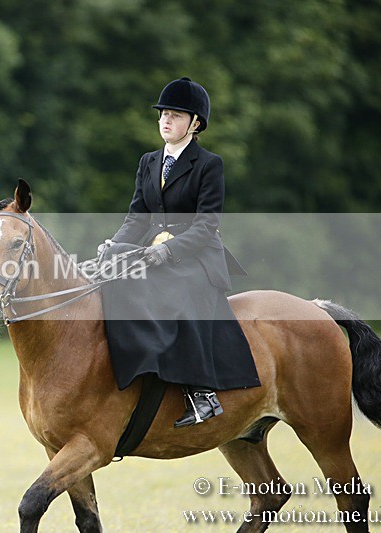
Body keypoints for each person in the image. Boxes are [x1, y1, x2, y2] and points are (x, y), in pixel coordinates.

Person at [99, 77, 261, 428]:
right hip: (155, 249)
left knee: (175, 293)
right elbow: (137, 217)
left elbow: (206, 226)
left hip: (198, 255)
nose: (166, 121)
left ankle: (202, 393)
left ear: (195, 123)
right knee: (112, 278)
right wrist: (114, 248)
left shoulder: (208, 164)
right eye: (163, 115)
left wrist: (168, 252)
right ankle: (137, 369)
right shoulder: (148, 161)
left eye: (175, 115)